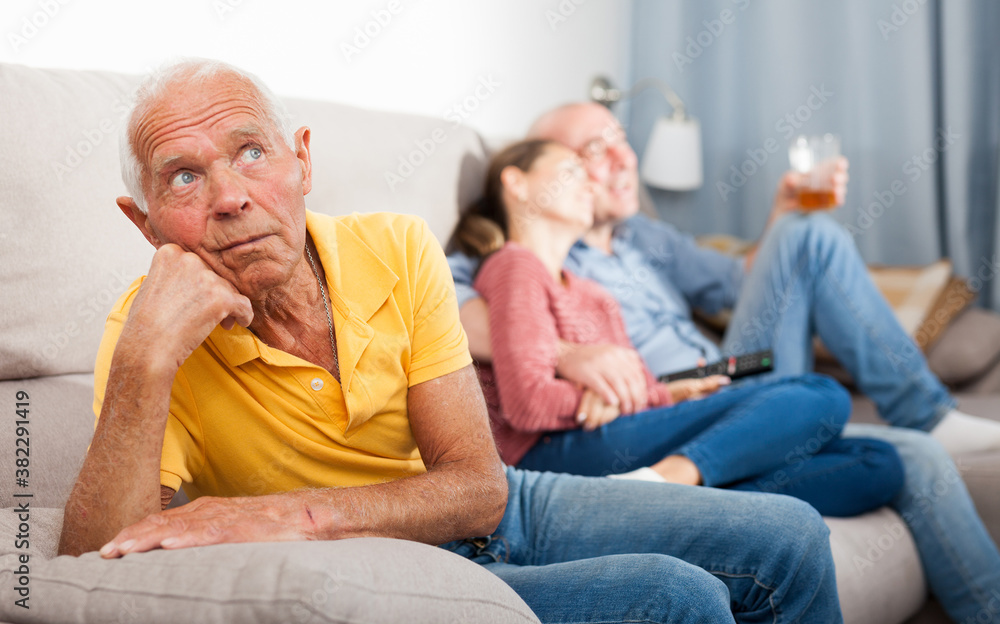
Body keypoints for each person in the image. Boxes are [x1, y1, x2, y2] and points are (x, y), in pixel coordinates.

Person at [56, 60, 844, 624]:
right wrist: (145, 361)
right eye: (184, 177)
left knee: (792, 533)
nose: (230, 197)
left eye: (251, 152)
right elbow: (93, 563)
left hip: (502, 505)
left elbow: (476, 487)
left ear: (302, 159)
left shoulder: (397, 245)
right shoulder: (144, 334)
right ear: (145, 223)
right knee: (679, 597)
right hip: (393, 563)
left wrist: (290, 514)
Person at [448, 102, 1000, 622]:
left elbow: (742, 284)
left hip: (712, 380)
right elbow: (450, 316)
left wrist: (780, 213)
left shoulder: (639, 238)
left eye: (621, 140)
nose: (619, 160)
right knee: (878, 432)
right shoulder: (514, 259)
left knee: (883, 457)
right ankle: (917, 416)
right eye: (591, 152)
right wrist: (569, 357)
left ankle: (697, 476)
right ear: (524, 178)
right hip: (649, 406)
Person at [452, 138, 904, 517]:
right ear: (516, 183)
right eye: (572, 170)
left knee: (877, 463)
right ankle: (670, 482)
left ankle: (670, 494)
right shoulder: (514, 267)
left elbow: (642, 386)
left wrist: (659, 394)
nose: (589, 182)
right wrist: (613, 397)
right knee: (822, 395)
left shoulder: (594, 294)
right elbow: (528, 405)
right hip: (552, 452)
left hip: (621, 432)